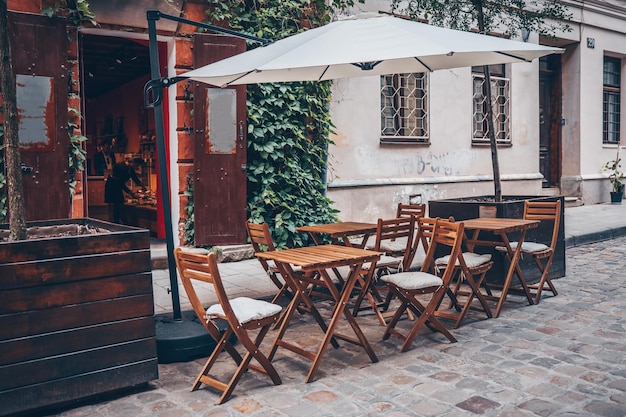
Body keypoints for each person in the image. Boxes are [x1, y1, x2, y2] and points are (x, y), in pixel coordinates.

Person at [104, 157, 145, 224]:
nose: (137, 168)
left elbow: (135, 178)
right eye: (137, 165)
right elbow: (120, 183)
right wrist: (131, 193)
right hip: (113, 187)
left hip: (117, 186)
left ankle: (121, 223)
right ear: (133, 163)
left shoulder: (130, 169)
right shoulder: (121, 167)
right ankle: (120, 223)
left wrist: (143, 186)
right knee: (118, 204)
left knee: (119, 205)